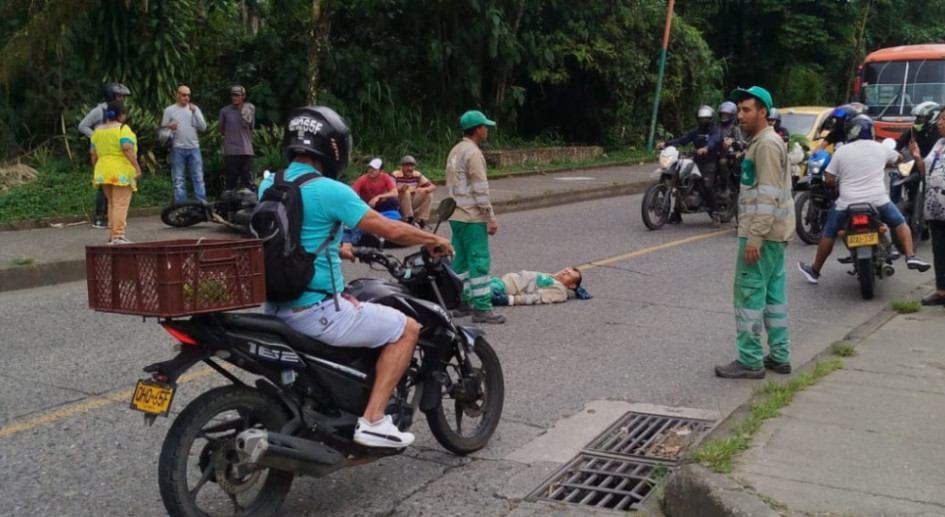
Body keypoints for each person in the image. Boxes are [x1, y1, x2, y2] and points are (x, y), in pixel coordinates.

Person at [259, 106, 453, 448]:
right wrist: (433, 238)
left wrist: (339, 248)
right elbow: (390, 228)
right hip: (313, 311)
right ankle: (374, 419)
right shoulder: (331, 190)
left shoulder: (270, 183)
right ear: (333, 147)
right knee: (406, 328)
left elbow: (296, 235)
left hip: (274, 307)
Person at [715, 86, 795, 380]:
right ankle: (779, 356)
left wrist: (754, 238)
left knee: (748, 297)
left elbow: (768, 195)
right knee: (774, 298)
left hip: (763, 236)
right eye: (739, 110)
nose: (740, 115)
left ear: (764, 112)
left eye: (747, 110)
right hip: (775, 236)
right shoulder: (763, 142)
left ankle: (749, 361)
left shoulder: (766, 145)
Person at [797, 114, 931, 284]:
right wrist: (892, 159)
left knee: (829, 232)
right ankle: (911, 256)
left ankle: (815, 271)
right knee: (900, 223)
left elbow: (830, 178)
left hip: (847, 203)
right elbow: (899, 158)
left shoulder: (842, 151)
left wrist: (836, 186)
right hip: (878, 201)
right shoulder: (880, 148)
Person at [447, 110, 506, 324]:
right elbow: (480, 189)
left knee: (460, 261)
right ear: (478, 129)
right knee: (479, 261)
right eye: (485, 127)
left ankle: (462, 302)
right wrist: (490, 216)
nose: (487, 130)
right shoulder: (473, 153)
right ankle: (482, 308)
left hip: (455, 214)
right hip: (472, 217)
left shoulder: (455, 151)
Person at [656, 105, 721, 225]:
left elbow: (714, 140)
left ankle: (715, 214)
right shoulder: (695, 131)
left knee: (706, 186)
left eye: (706, 118)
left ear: (711, 119)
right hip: (696, 161)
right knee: (681, 181)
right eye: (701, 119)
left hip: (710, 163)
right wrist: (666, 144)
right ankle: (676, 214)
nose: (703, 121)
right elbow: (682, 140)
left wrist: (706, 148)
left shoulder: (715, 131)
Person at [89, 100, 142, 245]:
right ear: (121, 115)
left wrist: (96, 169)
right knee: (120, 204)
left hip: (103, 171)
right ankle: (118, 236)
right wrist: (137, 167)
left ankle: (113, 236)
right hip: (121, 172)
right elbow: (127, 147)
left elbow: (93, 153)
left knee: (112, 203)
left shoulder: (98, 131)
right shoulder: (123, 129)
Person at [79, 82, 131, 229]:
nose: (122, 99)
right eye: (119, 96)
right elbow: (82, 125)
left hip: (115, 152)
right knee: (103, 185)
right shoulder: (99, 111)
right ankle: (99, 217)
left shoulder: (118, 111)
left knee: (114, 185)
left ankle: (111, 216)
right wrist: (96, 136)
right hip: (102, 151)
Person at [908, 112, 945, 306]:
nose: (939, 123)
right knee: (939, 250)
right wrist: (917, 157)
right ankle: (941, 291)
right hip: (937, 209)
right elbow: (925, 170)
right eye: (940, 119)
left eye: (944, 119)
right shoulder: (939, 144)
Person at [161, 85, 208, 204]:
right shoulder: (169, 110)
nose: (186, 97)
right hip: (178, 148)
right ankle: (181, 206)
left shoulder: (194, 109)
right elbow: (162, 132)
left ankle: (202, 204)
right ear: (177, 95)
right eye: (183, 95)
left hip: (194, 148)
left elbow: (203, 127)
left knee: (198, 178)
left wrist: (195, 112)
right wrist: (169, 128)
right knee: (178, 179)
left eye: (188, 95)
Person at [891, 102, 941, 204]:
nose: (917, 120)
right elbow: (901, 142)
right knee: (895, 177)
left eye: (921, 117)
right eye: (917, 117)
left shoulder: (938, 132)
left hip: (930, 166)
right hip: (913, 163)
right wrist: (891, 153)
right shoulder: (914, 129)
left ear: (931, 117)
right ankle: (894, 206)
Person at [218, 85, 256, 191]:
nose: (235, 97)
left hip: (246, 151)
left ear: (243, 96)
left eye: (237, 95)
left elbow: (251, 129)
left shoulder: (249, 109)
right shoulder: (224, 111)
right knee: (231, 183)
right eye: (233, 95)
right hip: (231, 152)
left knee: (248, 182)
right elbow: (221, 129)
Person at [489, 267, 587, 306]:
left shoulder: (560, 289)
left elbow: (536, 297)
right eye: (565, 271)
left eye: (568, 275)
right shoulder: (553, 278)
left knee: (477, 292)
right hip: (501, 281)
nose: (563, 273)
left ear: (572, 284)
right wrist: (575, 289)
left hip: (504, 288)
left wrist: (509, 300)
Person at [392, 155, 435, 228]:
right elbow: (390, 188)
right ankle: (408, 218)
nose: (410, 168)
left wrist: (424, 189)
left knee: (429, 193)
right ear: (402, 166)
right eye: (407, 166)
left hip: (411, 202)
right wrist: (400, 189)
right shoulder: (395, 174)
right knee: (406, 192)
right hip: (399, 203)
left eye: (412, 166)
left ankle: (421, 219)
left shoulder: (417, 174)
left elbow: (433, 187)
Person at [718, 101, 747, 191]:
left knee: (722, 162)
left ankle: (724, 187)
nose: (724, 117)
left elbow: (742, 143)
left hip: (730, 155)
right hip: (716, 153)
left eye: (726, 115)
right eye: (722, 115)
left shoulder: (735, 129)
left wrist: (733, 142)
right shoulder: (716, 128)